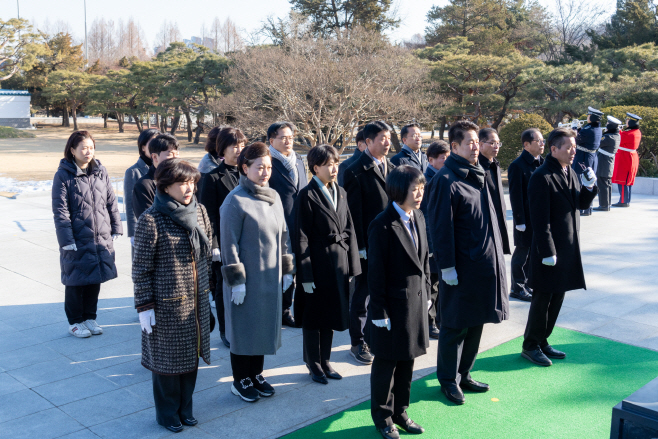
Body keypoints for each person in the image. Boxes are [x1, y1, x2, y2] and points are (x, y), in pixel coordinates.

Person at [428, 120, 508, 405]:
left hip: (483, 264)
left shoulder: (479, 173)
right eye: (469, 143)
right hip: (460, 268)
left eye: (477, 141)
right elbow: (440, 227)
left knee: (476, 322)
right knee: (454, 325)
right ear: (454, 147)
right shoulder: (445, 180)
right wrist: (446, 266)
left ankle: (465, 373)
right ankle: (448, 380)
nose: (475, 147)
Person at [132, 158, 212, 433]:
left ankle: (185, 408)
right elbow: (140, 268)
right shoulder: (151, 220)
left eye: (191, 182)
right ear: (165, 187)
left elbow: (207, 253)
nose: (188, 188)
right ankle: (167, 413)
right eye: (181, 183)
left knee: (191, 359)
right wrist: (144, 306)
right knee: (167, 365)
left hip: (196, 301)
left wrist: (209, 293)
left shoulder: (200, 212)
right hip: (166, 307)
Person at [220, 142, 295, 402]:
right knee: (244, 329)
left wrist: (287, 270)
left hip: (270, 278)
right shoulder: (235, 200)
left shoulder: (273, 197)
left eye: (269, 167)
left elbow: (284, 236)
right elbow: (228, 243)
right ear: (244, 168)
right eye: (259, 167)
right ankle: (240, 379)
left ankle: (256, 374)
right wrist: (236, 281)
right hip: (246, 280)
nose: (265, 172)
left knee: (262, 326)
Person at [522, 128, 598, 367]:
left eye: (574, 147)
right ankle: (530, 345)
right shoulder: (542, 176)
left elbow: (580, 204)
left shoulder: (570, 172)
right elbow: (539, 219)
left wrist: (589, 186)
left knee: (558, 297)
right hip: (549, 251)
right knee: (543, 298)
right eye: (568, 147)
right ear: (554, 149)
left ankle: (543, 340)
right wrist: (547, 251)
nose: (573, 151)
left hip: (567, 248)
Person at [368, 166, 430, 439]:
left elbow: (425, 261)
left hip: (416, 302)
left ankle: (401, 411)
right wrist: (379, 309)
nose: (419, 194)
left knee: (408, 361)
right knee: (386, 364)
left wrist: (429, 293)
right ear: (398, 190)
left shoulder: (419, 217)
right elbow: (376, 272)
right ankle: (383, 417)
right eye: (413, 189)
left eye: (421, 188)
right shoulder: (382, 224)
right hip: (392, 306)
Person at [293, 144, 361, 384]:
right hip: (317, 263)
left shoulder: (340, 191)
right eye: (329, 164)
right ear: (315, 168)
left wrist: (353, 265)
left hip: (338, 263)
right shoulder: (306, 195)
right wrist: (306, 274)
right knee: (314, 316)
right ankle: (313, 363)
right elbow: (300, 236)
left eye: (336, 163)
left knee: (331, 314)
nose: (334, 168)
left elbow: (350, 228)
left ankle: (326, 359)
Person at [52, 131, 123, 338]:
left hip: (100, 235)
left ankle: (89, 317)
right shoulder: (63, 175)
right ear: (72, 150)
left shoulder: (100, 170)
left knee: (95, 277)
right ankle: (75, 321)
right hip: (76, 237)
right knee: (76, 279)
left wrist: (116, 227)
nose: (88, 151)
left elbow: (111, 201)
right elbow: (60, 211)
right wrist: (66, 241)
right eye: (83, 147)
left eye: (91, 147)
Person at [343, 120, 396, 365]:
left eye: (389, 138)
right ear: (367, 142)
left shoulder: (393, 167)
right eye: (382, 139)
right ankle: (357, 342)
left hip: (390, 241)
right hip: (367, 244)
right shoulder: (354, 170)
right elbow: (353, 214)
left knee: (383, 291)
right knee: (362, 293)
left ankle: (375, 336)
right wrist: (360, 246)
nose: (387, 143)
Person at [198, 127, 246, 348]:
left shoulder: (250, 174)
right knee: (223, 287)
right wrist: (214, 244)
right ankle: (226, 330)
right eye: (234, 146)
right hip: (224, 242)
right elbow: (208, 215)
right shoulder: (212, 178)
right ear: (222, 149)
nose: (239, 150)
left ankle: (243, 324)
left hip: (247, 240)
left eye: (242, 145)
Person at [267, 121, 308, 327]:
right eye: (283, 137)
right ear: (271, 140)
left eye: (290, 137)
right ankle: (281, 311)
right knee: (283, 270)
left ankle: (295, 309)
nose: (288, 141)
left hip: (300, 222)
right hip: (278, 223)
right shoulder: (267, 162)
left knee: (299, 268)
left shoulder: (298, 160)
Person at [507, 128, 545, 302]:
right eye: (538, 141)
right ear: (527, 145)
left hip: (539, 217)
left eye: (543, 140)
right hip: (525, 218)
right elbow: (516, 196)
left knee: (534, 253)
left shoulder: (542, 162)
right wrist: (519, 220)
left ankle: (529, 283)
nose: (542, 144)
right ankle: (517, 287)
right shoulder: (517, 165)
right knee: (522, 253)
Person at [419, 140, 450, 339]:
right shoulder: (426, 181)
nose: (446, 161)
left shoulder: (444, 177)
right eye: (443, 158)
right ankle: (430, 323)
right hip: (432, 243)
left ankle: (438, 319)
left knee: (440, 284)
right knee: (431, 285)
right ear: (431, 160)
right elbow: (426, 216)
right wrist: (430, 244)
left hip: (442, 240)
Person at [124, 129, 160, 256]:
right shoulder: (133, 171)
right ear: (143, 147)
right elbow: (130, 204)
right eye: (152, 143)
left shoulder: (164, 169)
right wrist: (133, 233)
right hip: (142, 228)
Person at [478, 128, 511, 256]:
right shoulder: (478, 168)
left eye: (498, 143)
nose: (496, 146)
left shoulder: (494, 164)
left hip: (498, 223)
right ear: (480, 144)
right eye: (492, 143)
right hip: (485, 228)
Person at [133, 134, 180, 220]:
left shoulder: (183, 180)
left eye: (177, 154)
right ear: (155, 157)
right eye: (170, 154)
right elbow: (147, 221)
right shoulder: (144, 185)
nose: (175, 158)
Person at [573, 107, 603, 216]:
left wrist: (574, 128)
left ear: (592, 117)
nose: (587, 117)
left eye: (589, 115)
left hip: (584, 157)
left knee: (582, 181)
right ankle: (587, 207)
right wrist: (580, 129)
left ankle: (584, 207)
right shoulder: (594, 128)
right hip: (590, 156)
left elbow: (576, 139)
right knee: (589, 180)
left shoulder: (590, 129)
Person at [612, 112, 642, 207]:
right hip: (630, 156)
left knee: (623, 180)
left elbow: (620, 139)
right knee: (627, 180)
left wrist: (616, 130)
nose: (626, 122)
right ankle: (626, 200)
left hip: (625, 157)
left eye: (628, 121)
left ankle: (623, 201)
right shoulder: (636, 132)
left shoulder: (628, 134)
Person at [594, 116, 622, 211]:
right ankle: (607, 204)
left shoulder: (609, 137)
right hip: (607, 161)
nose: (606, 126)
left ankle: (604, 205)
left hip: (604, 161)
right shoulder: (616, 135)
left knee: (602, 184)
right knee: (607, 183)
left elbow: (597, 143)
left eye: (607, 124)